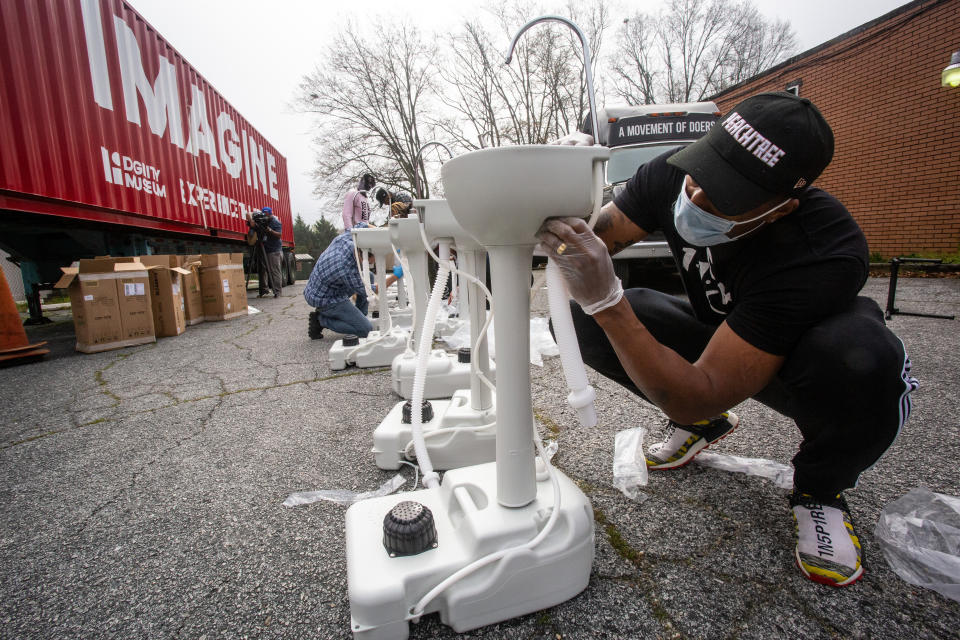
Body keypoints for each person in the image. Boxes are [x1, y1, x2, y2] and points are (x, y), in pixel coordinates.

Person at [538, 92, 918, 589]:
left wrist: (608, 301)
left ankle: (820, 489)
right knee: (583, 320)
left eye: (727, 197)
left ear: (783, 207)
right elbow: (591, 238)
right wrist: (555, 186)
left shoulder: (823, 249)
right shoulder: (671, 173)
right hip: (727, 330)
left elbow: (704, 387)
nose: (695, 199)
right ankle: (702, 428)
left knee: (865, 363)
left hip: (803, 359)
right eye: (702, 174)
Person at [245, 206, 283, 298]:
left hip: (274, 250)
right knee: (262, 269)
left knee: (274, 270)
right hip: (262, 247)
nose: (265, 217)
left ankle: (277, 291)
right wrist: (252, 221)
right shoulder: (260, 220)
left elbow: (279, 235)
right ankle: (263, 290)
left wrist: (269, 230)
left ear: (271, 214)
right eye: (264, 214)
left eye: (267, 215)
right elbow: (248, 214)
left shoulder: (275, 222)